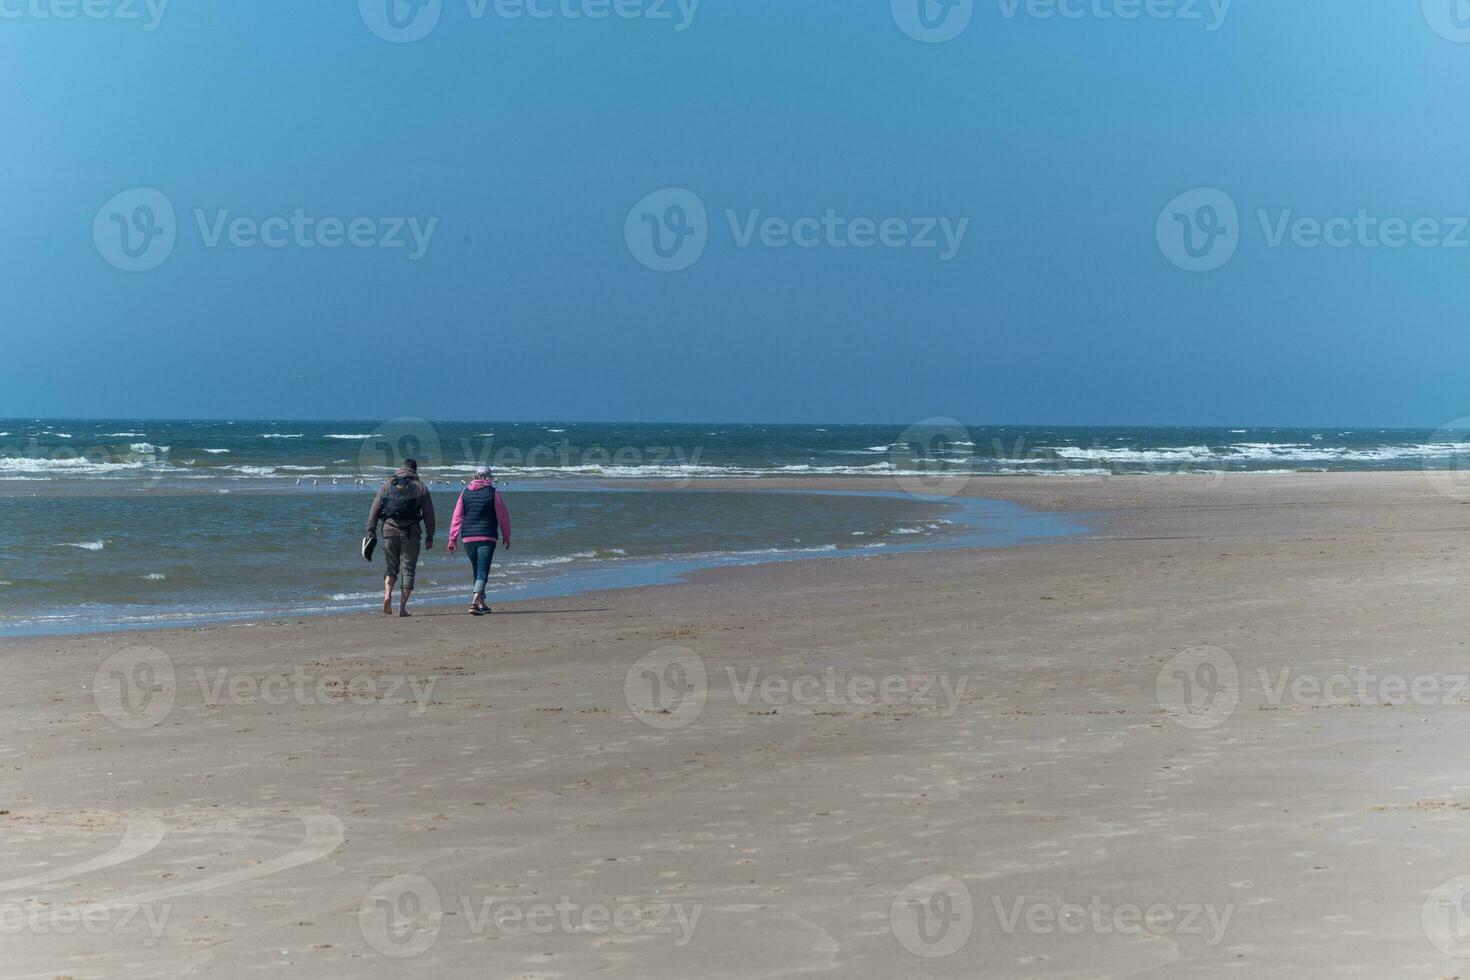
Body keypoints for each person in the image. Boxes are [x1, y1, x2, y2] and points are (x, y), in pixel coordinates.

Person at [366, 458, 435, 618]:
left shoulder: (388, 484)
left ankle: (387, 595)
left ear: (400, 469)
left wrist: (371, 531)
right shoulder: (420, 486)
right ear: (415, 470)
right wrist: (430, 534)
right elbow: (429, 514)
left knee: (392, 567)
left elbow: (374, 509)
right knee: (408, 570)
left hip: (389, 530)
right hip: (411, 532)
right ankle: (402, 608)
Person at [447, 466, 511, 614]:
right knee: (483, 570)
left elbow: (457, 518)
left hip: (468, 537)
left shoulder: (465, 493)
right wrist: (506, 535)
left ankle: (482, 604)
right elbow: (503, 517)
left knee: (477, 569)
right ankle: (474, 602)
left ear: (474, 476)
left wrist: (452, 539)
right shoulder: (493, 493)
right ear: (489, 477)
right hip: (487, 536)